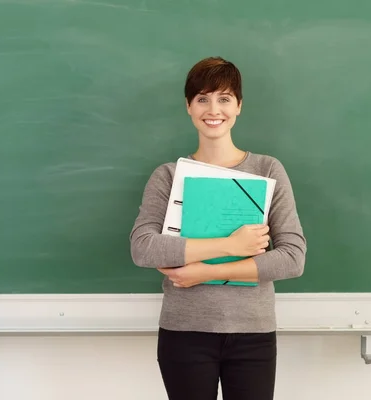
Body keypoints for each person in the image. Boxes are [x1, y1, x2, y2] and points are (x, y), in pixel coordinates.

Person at [129, 56, 307, 400]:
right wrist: (230, 244)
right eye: (202, 99)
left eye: (224, 98)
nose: (214, 109)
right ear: (189, 106)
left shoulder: (267, 169)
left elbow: (292, 258)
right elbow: (143, 247)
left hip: (253, 333)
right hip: (184, 333)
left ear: (239, 106)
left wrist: (200, 273)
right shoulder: (167, 175)